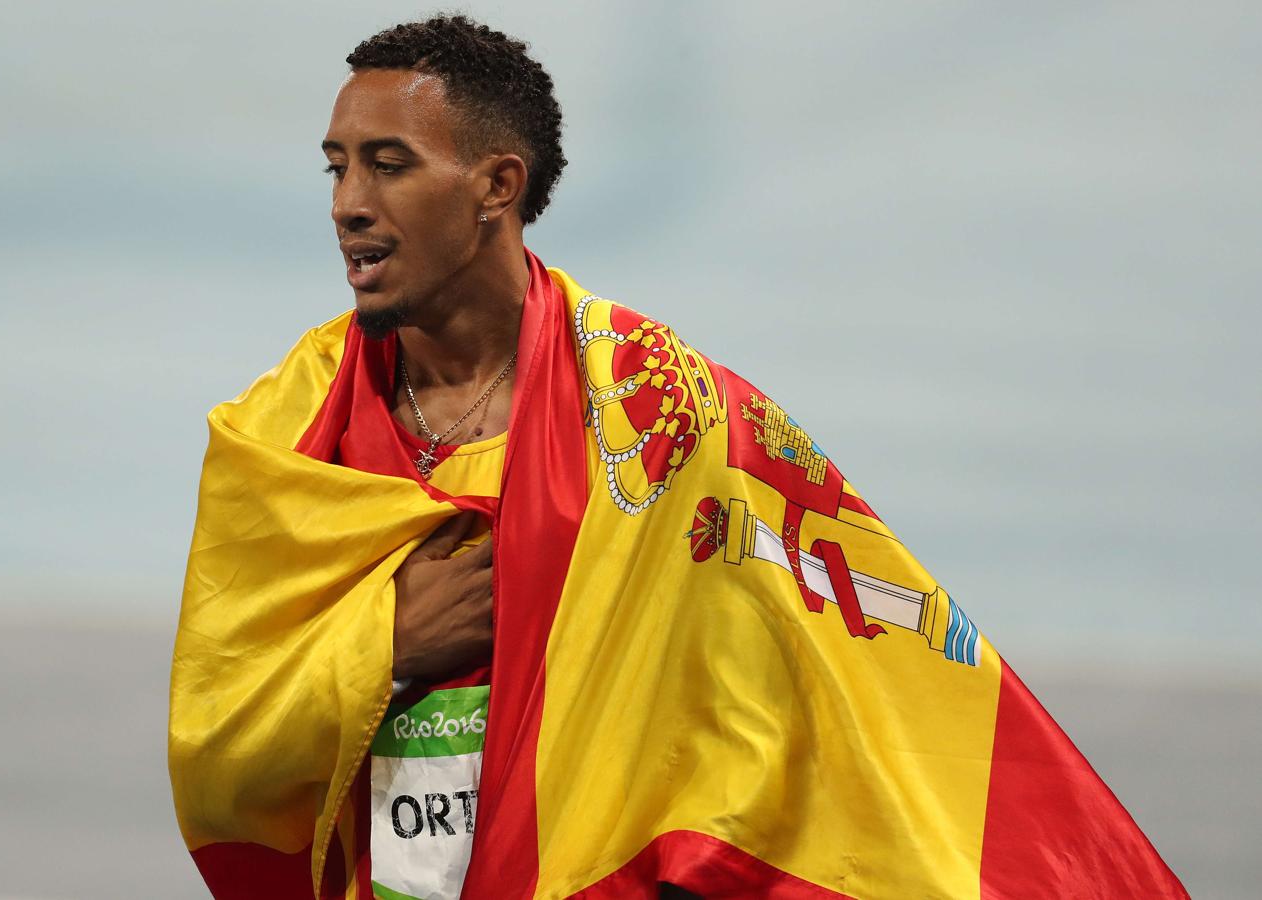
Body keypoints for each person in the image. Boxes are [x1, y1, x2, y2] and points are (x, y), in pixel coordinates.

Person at [169, 14, 1185, 900]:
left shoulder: (656, 410)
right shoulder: (284, 437)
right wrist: (381, 653)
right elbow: (218, 743)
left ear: (496, 186)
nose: (348, 201)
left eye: (388, 164)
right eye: (336, 164)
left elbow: (804, 685)